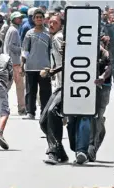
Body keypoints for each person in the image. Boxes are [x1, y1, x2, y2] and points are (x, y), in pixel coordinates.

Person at [39, 14, 69, 165]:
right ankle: (61, 152)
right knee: (43, 121)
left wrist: (52, 71)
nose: (51, 25)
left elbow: (69, 61)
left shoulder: (58, 38)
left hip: (66, 84)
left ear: (61, 25)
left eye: (54, 23)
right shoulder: (55, 37)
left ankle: (53, 153)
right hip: (58, 85)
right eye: (49, 22)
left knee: (52, 113)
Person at [21, 8, 52, 120]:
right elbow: (25, 50)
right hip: (31, 67)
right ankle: (30, 112)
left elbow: (51, 50)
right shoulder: (29, 33)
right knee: (30, 91)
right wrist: (22, 65)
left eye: (41, 17)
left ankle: (45, 112)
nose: (39, 19)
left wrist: (52, 67)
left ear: (44, 19)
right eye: (37, 17)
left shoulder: (48, 33)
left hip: (45, 67)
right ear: (33, 19)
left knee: (45, 91)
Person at [4, 11, 25, 115]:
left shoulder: (12, 29)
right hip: (14, 62)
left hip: (10, 61)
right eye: (18, 18)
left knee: (7, 85)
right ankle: (22, 108)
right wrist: (22, 49)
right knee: (19, 86)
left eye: (21, 18)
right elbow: (11, 46)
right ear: (13, 19)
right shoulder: (14, 31)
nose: (20, 19)